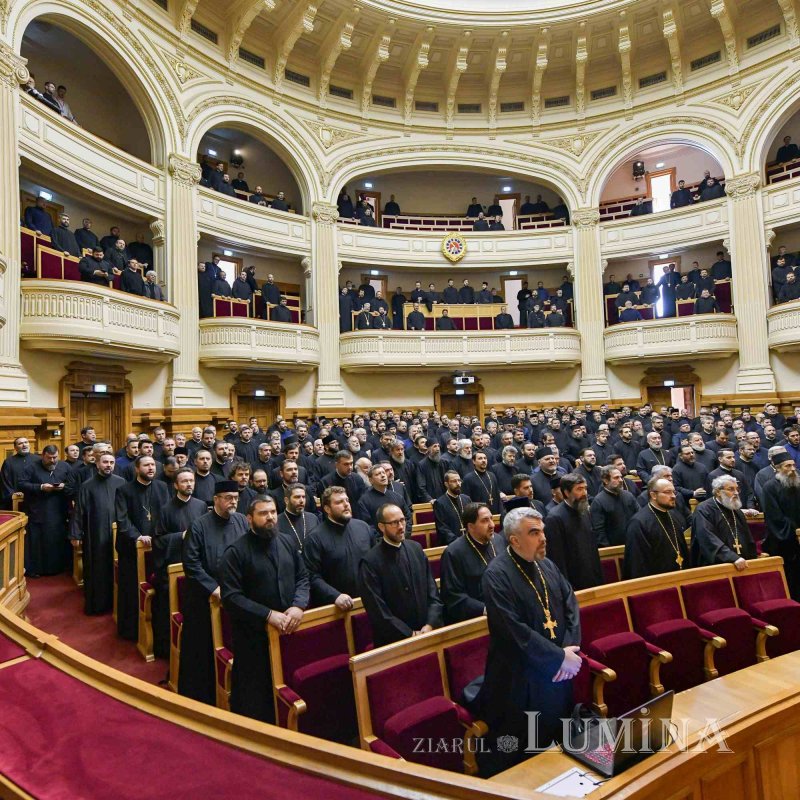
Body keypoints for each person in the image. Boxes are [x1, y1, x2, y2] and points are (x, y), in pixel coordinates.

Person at [477, 508, 581, 776]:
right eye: (534, 533)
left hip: (558, 674)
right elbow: (513, 630)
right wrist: (559, 658)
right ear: (514, 540)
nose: (543, 538)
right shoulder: (496, 575)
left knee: (560, 748)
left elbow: (571, 603)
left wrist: (569, 651)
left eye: (542, 530)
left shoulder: (546, 564)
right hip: (519, 680)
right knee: (528, 758)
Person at [220, 495, 309, 722]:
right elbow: (231, 597)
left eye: (272, 512)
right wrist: (268, 615)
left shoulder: (288, 541)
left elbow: (303, 577)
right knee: (255, 698)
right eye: (263, 513)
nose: (270, 517)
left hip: (289, 629)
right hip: (253, 636)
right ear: (249, 518)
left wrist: (298, 606)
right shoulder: (236, 552)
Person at [179, 481, 248, 703]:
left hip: (237, 594)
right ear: (216, 499)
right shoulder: (199, 526)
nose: (233, 502)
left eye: (236, 498)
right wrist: (213, 588)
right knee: (203, 650)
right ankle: (203, 696)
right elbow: (191, 564)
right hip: (205, 598)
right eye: (228, 497)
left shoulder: (240, 520)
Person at [358, 503, 443, 647]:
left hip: (429, 632)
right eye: (394, 523)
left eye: (402, 520)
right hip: (395, 640)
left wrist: (430, 624)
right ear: (381, 527)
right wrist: (409, 634)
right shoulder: (370, 562)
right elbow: (378, 611)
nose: (401, 526)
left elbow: (433, 592)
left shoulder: (415, 548)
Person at [114, 455, 170, 641]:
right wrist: (138, 536)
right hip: (132, 549)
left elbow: (167, 514)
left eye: (153, 464)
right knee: (131, 590)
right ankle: (131, 631)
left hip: (158, 548)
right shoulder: (124, 490)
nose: (151, 468)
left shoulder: (162, 487)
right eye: (147, 465)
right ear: (137, 469)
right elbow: (122, 520)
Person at [152, 469, 206, 658]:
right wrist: (180, 537)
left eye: (191, 481)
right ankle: (169, 649)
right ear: (176, 485)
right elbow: (157, 541)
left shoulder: (200, 506)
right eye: (184, 481)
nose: (189, 484)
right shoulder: (166, 509)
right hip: (174, 566)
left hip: (197, 564)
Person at [70, 451, 125, 614]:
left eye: (111, 462)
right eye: (105, 462)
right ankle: (98, 605)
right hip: (95, 532)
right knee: (97, 568)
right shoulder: (87, 485)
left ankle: (117, 605)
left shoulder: (121, 482)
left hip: (118, 533)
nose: (109, 465)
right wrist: (76, 534)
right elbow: (79, 510)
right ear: (98, 464)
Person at [303, 486, 375, 608]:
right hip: (336, 606)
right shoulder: (314, 538)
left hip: (369, 599)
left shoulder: (363, 527)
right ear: (327, 509)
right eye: (339, 502)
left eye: (347, 500)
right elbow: (311, 576)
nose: (346, 505)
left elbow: (376, 561)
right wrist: (335, 596)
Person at [439, 502, 504, 623]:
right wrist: (485, 609)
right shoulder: (453, 553)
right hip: (475, 619)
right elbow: (453, 596)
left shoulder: (498, 541)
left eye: (491, 518)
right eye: (485, 521)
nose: (492, 525)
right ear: (470, 526)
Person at [544, 473, 603, 589]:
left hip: (592, 577)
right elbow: (557, 559)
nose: (585, 493)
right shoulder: (554, 518)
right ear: (566, 492)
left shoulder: (584, 512)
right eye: (579, 489)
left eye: (585, 488)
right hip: (573, 583)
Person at [20, 445, 72, 577]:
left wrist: (64, 486)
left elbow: (72, 483)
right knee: (37, 542)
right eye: (49, 458)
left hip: (59, 510)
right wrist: (41, 487)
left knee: (56, 539)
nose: (53, 461)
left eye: (55, 457)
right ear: (43, 456)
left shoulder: (65, 466)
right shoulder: (31, 467)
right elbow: (21, 484)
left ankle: (57, 568)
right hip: (37, 510)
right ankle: (37, 569)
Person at [624, 477, 691, 578]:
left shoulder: (674, 516)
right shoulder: (639, 523)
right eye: (668, 492)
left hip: (679, 577)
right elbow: (638, 564)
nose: (673, 496)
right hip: (656, 583)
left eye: (673, 492)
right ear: (653, 495)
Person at [691, 475, 757, 568]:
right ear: (718, 492)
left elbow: (747, 537)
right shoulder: (704, 509)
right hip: (716, 566)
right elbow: (708, 539)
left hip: (741, 563)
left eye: (737, 489)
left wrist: (753, 558)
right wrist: (732, 557)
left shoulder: (736, 510)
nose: (736, 493)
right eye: (731, 489)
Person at [761, 452, 800, 599]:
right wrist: (794, 531)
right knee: (791, 577)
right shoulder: (770, 487)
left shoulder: (798, 483)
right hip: (783, 541)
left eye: (793, 465)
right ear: (777, 468)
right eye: (787, 466)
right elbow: (774, 516)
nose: (792, 469)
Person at [590, 464, 639, 546]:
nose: (621, 480)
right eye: (616, 478)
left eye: (620, 477)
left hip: (634, 544)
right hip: (615, 549)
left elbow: (639, 516)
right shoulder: (598, 502)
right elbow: (599, 532)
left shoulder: (628, 495)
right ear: (605, 480)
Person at [277, 482, 319, 553]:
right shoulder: (277, 522)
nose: (301, 501)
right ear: (286, 500)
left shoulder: (313, 518)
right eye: (297, 497)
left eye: (303, 497)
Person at [433, 470, 471, 545]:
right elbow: (442, 528)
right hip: (451, 545)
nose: (458, 484)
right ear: (446, 484)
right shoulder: (439, 503)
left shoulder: (467, 499)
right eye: (454, 481)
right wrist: (459, 542)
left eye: (459, 480)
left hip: (469, 542)